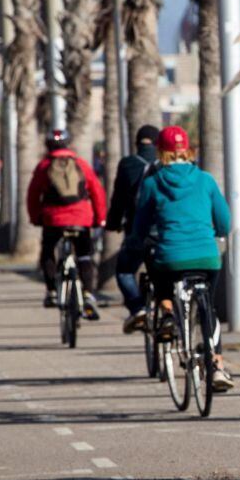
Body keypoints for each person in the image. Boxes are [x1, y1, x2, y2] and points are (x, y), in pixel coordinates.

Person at [131, 126, 235, 391]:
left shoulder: (153, 183)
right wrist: (216, 232)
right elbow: (224, 221)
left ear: (160, 151)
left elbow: (140, 227)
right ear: (188, 150)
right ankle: (217, 365)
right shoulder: (206, 180)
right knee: (208, 308)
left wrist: (137, 240)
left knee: (159, 272)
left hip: (170, 257)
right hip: (206, 256)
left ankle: (167, 311)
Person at [27, 129, 107, 318]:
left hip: (53, 219)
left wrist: (35, 217)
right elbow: (97, 191)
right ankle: (88, 295)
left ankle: (52, 292)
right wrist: (99, 218)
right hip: (81, 218)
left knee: (48, 252)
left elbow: (33, 195)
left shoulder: (44, 166)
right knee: (84, 256)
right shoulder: (81, 164)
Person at [105, 124, 160, 333]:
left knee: (125, 272)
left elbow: (118, 199)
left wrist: (113, 223)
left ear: (137, 143)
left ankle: (138, 308)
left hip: (136, 232)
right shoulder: (166, 166)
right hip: (165, 232)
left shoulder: (128, 164)